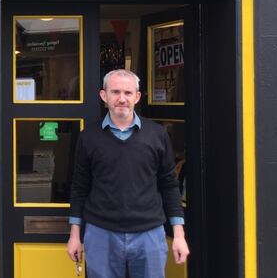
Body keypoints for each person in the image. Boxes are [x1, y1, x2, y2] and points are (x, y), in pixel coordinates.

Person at [66, 69, 189, 278]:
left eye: (128, 93)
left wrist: (179, 234)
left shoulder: (157, 135)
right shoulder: (88, 137)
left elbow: (169, 185)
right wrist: (75, 235)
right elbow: (80, 187)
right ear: (104, 96)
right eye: (115, 92)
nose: (121, 99)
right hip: (101, 233)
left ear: (137, 97)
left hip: (149, 233)